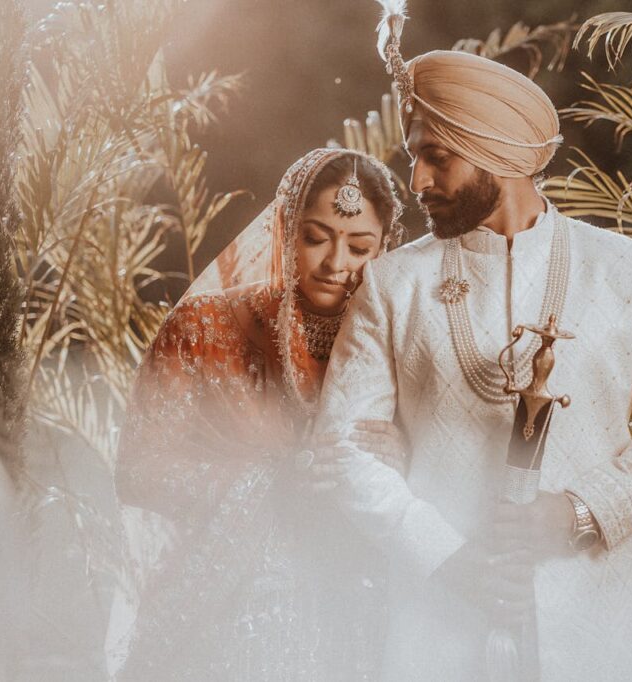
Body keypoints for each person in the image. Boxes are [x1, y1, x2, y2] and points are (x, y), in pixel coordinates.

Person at [312, 5, 632, 680]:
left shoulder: (625, 271)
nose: (416, 183)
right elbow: (344, 449)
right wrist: (448, 556)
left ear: (499, 154)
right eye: (414, 158)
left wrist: (579, 510)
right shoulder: (391, 285)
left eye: (435, 158)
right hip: (439, 623)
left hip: (601, 623)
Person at [113, 148, 406, 680]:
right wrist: (269, 478)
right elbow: (137, 470)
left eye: (360, 247)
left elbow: (446, 472)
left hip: (353, 610)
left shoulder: (394, 347)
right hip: (221, 614)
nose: (336, 264)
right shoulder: (205, 326)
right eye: (316, 238)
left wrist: (400, 458)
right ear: (283, 229)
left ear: (386, 249)